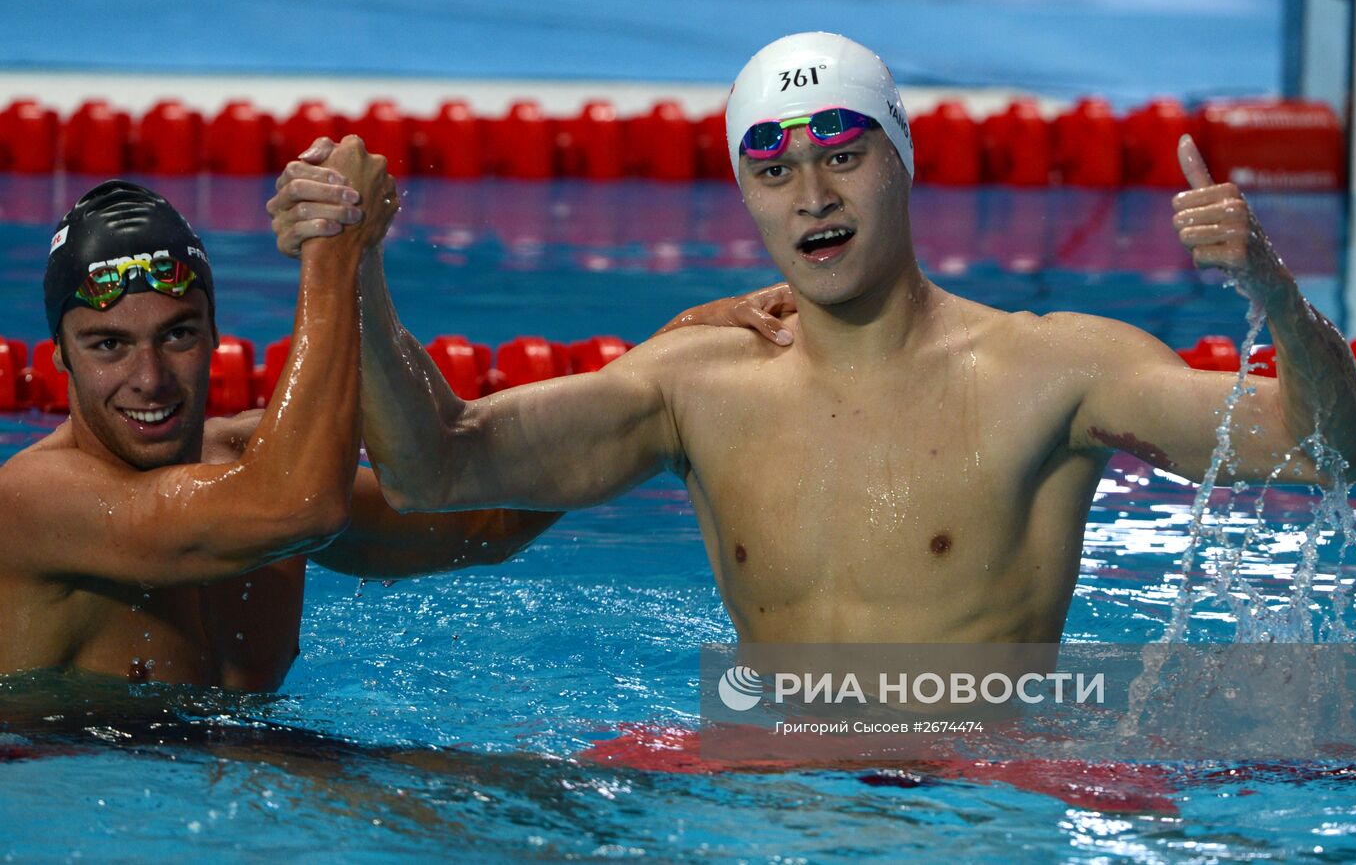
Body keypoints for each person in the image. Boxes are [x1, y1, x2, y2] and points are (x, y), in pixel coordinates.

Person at [267, 33, 1356, 646]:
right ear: (744, 197)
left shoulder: (1056, 369)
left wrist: (1270, 291)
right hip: (771, 788)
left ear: (902, 160)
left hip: (989, 794)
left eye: (842, 155)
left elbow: (1333, 455)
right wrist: (352, 267)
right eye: (772, 170)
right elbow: (430, 467)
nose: (810, 196)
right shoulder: (694, 386)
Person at [0, 140, 793, 692]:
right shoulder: (35, 504)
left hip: (250, 777)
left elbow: (484, 518)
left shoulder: (246, 465)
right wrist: (334, 250)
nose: (148, 378)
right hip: (77, 782)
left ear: (214, 333)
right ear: (60, 356)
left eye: (176, 334)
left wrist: (674, 363)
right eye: (108, 344)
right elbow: (296, 504)